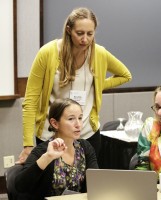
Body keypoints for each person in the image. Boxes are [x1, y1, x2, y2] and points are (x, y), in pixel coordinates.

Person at [18, 7, 132, 166]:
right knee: (52, 187)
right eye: (80, 33)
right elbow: (30, 101)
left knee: (88, 186)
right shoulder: (48, 53)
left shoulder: (99, 53)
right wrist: (27, 144)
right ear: (68, 30)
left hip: (86, 134)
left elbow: (125, 75)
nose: (85, 39)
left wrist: (97, 86)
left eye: (90, 34)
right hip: (50, 135)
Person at [15, 98, 98, 199]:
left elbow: (95, 182)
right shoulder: (42, 151)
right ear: (55, 123)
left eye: (80, 118)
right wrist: (47, 157)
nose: (78, 124)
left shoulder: (85, 147)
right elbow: (20, 186)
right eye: (71, 119)